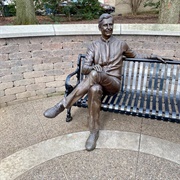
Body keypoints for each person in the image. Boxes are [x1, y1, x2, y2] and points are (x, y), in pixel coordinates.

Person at [44, 13, 164, 151]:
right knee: (94, 89)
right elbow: (84, 69)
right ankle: (93, 132)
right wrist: (92, 67)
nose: (109, 27)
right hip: (98, 84)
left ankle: (62, 104)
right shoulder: (93, 46)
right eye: (105, 25)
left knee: (95, 75)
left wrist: (152, 57)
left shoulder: (121, 44)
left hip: (113, 84)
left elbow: (137, 56)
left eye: (111, 25)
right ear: (100, 27)